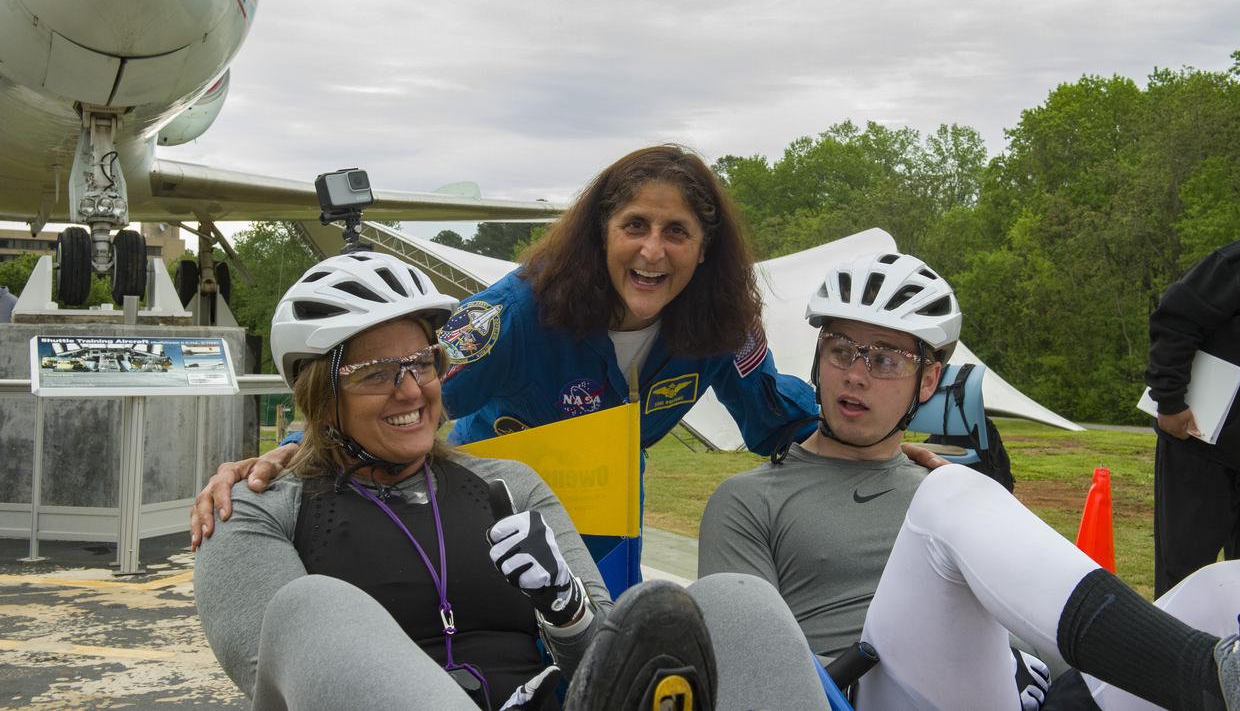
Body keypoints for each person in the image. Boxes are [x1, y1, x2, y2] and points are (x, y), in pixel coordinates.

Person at [191, 145, 872, 549]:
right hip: (489, 523)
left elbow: (774, 417)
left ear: (705, 250)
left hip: (609, 529)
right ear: (600, 232)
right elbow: (402, 392)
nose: (652, 250)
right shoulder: (513, 315)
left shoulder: (724, 325)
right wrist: (286, 457)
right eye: (634, 224)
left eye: (677, 231)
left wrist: (875, 447)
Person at [699, 251, 1240, 710]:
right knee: (951, 496)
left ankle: (1219, 681)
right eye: (841, 349)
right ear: (817, 358)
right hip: (854, 693)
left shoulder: (951, 488)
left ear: (928, 382)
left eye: (887, 359)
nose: (856, 374)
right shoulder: (750, 499)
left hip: (1017, 691)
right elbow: (747, 665)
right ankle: (1204, 678)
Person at [193, 252, 718, 711]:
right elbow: (291, 685)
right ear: (319, 395)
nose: (412, 392)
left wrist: (567, 609)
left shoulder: (509, 486)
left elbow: (609, 671)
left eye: (422, 363)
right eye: (377, 373)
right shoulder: (258, 508)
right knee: (313, 608)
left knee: (735, 605)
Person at [1145, 226, 1240, 596]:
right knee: (1185, 577)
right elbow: (1175, 319)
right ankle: (1169, 656)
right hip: (1200, 446)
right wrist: (1170, 400)